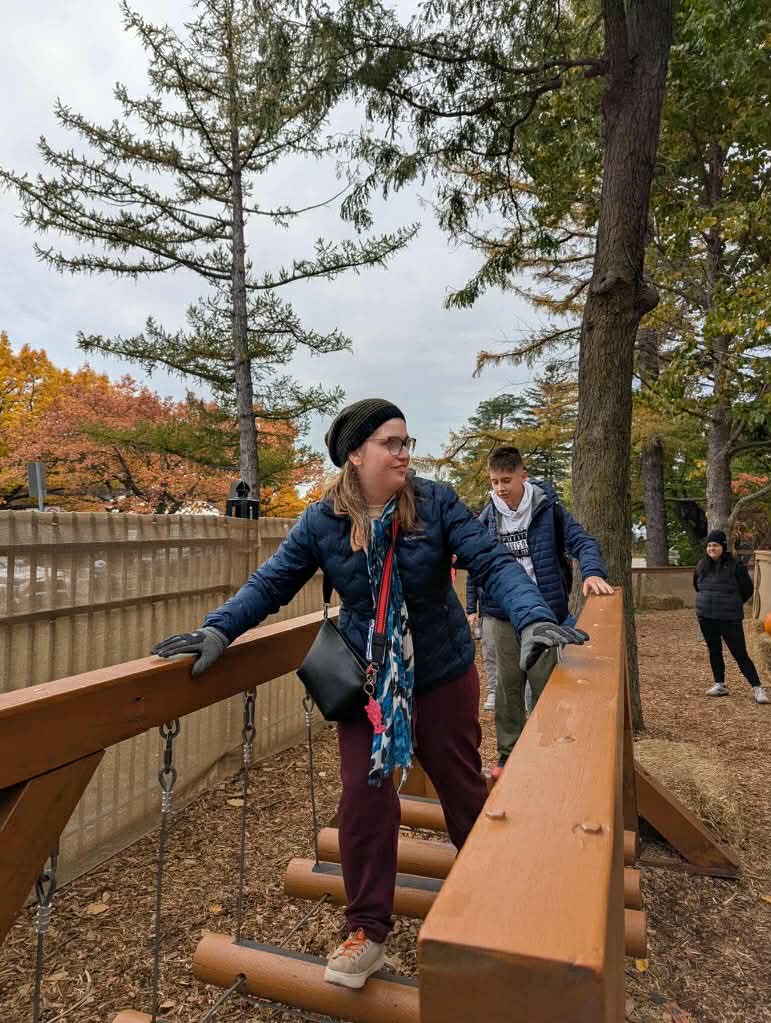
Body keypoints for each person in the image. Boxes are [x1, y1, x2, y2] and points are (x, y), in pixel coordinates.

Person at [150, 400, 588, 990]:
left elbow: (490, 562)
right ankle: (366, 930)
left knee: (461, 787)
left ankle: (497, 892)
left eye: (407, 441)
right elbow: (272, 582)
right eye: (391, 443)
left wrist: (533, 615)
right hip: (368, 680)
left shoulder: (434, 503)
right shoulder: (322, 521)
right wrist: (218, 629)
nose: (405, 453)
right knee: (363, 796)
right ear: (356, 455)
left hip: (440, 674)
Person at [468, 446, 613, 779]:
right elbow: (476, 563)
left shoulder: (548, 510)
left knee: (545, 683)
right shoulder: (487, 517)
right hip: (501, 613)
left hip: (544, 611)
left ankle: (550, 750)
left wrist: (592, 572)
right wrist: (471, 607)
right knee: (507, 687)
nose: (500, 488)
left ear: (523, 476)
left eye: (506, 480)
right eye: (494, 482)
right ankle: (509, 754)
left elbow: (583, 543)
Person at [694, 529, 769, 704]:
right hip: (706, 617)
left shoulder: (736, 566)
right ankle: (720, 684)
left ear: (723, 547)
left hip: (729, 618)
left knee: (740, 654)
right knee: (714, 651)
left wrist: (733, 604)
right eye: (709, 545)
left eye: (716, 545)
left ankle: (757, 688)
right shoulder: (701, 566)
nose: (712, 548)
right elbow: (697, 587)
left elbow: (748, 590)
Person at [465, 573, 498, 711]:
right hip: (488, 608)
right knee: (490, 652)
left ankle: (524, 691)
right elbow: (472, 578)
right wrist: (471, 609)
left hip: (516, 606)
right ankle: (493, 691)